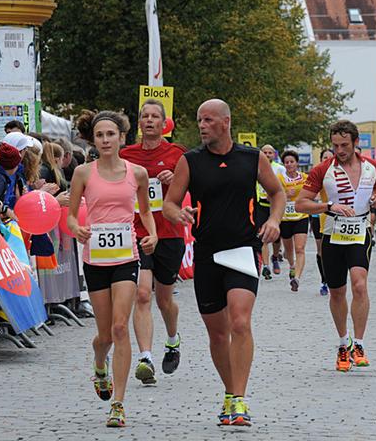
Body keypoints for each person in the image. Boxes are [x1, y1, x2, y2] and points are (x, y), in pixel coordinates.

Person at [163, 99, 284, 427]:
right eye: (199, 119)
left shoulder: (252, 158)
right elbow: (169, 203)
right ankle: (230, 393)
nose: (202, 125)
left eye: (208, 120)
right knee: (217, 334)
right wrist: (180, 214)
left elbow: (277, 193)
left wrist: (274, 220)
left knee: (240, 322)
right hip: (206, 253)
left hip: (244, 248)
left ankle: (241, 400)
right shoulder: (190, 162)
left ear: (226, 122)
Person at [67, 110, 158, 428]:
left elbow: (145, 213)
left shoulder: (138, 173)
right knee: (104, 335)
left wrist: (153, 234)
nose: (105, 140)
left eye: (110, 134)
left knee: (121, 328)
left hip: (126, 257)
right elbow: (71, 214)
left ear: (121, 137)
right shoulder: (82, 173)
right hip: (95, 260)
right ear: (93, 140)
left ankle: (118, 403)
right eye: (100, 135)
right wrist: (77, 228)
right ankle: (99, 364)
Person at [296, 120, 376, 372]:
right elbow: (301, 204)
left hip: (360, 231)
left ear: (356, 142)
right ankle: (342, 343)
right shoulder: (322, 170)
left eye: (344, 145)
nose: (340, 150)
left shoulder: (372, 166)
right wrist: (327, 207)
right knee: (337, 292)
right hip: (332, 233)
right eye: (335, 145)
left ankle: (359, 343)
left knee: (359, 283)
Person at [119, 99, 187, 386]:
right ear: (139, 123)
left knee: (164, 299)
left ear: (163, 123)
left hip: (169, 233)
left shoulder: (177, 154)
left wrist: (174, 179)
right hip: (136, 232)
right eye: (144, 116)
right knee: (143, 294)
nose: (149, 120)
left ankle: (172, 339)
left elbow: (191, 186)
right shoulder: (126, 154)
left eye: (154, 116)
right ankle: (145, 357)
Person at [278, 150, 309, 292]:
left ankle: (296, 278)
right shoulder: (279, 178)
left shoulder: (305, 178)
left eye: (292, 162)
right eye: (286, 162)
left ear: (297, 163)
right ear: (284, 164)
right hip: (285, 218)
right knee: (289, 249)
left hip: (301, 216)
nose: (289, 164)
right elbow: (271, 196)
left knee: (300, 249)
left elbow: (311, 193)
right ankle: (291, 265)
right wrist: (285, 194)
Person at [258, 144, 286, 279]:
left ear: (274, 155)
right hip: (261, 204)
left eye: (270, 153)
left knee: (276, 236)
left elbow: (284, 188)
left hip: (275, 206)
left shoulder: (280, 169)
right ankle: (266, 266)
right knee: (262, 236)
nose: (267, 155)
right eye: (265, 152)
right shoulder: (256, 166)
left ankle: (275, 256)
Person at [310, 148, 335, 295]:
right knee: (321, 251)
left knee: (335, 250)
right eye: (324, 157)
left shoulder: (339, 174)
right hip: (319, 216)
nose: (327, 160)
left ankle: (335, 279)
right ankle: (324, 280)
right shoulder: (317, 173)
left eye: (330, 158)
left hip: (336, 217)